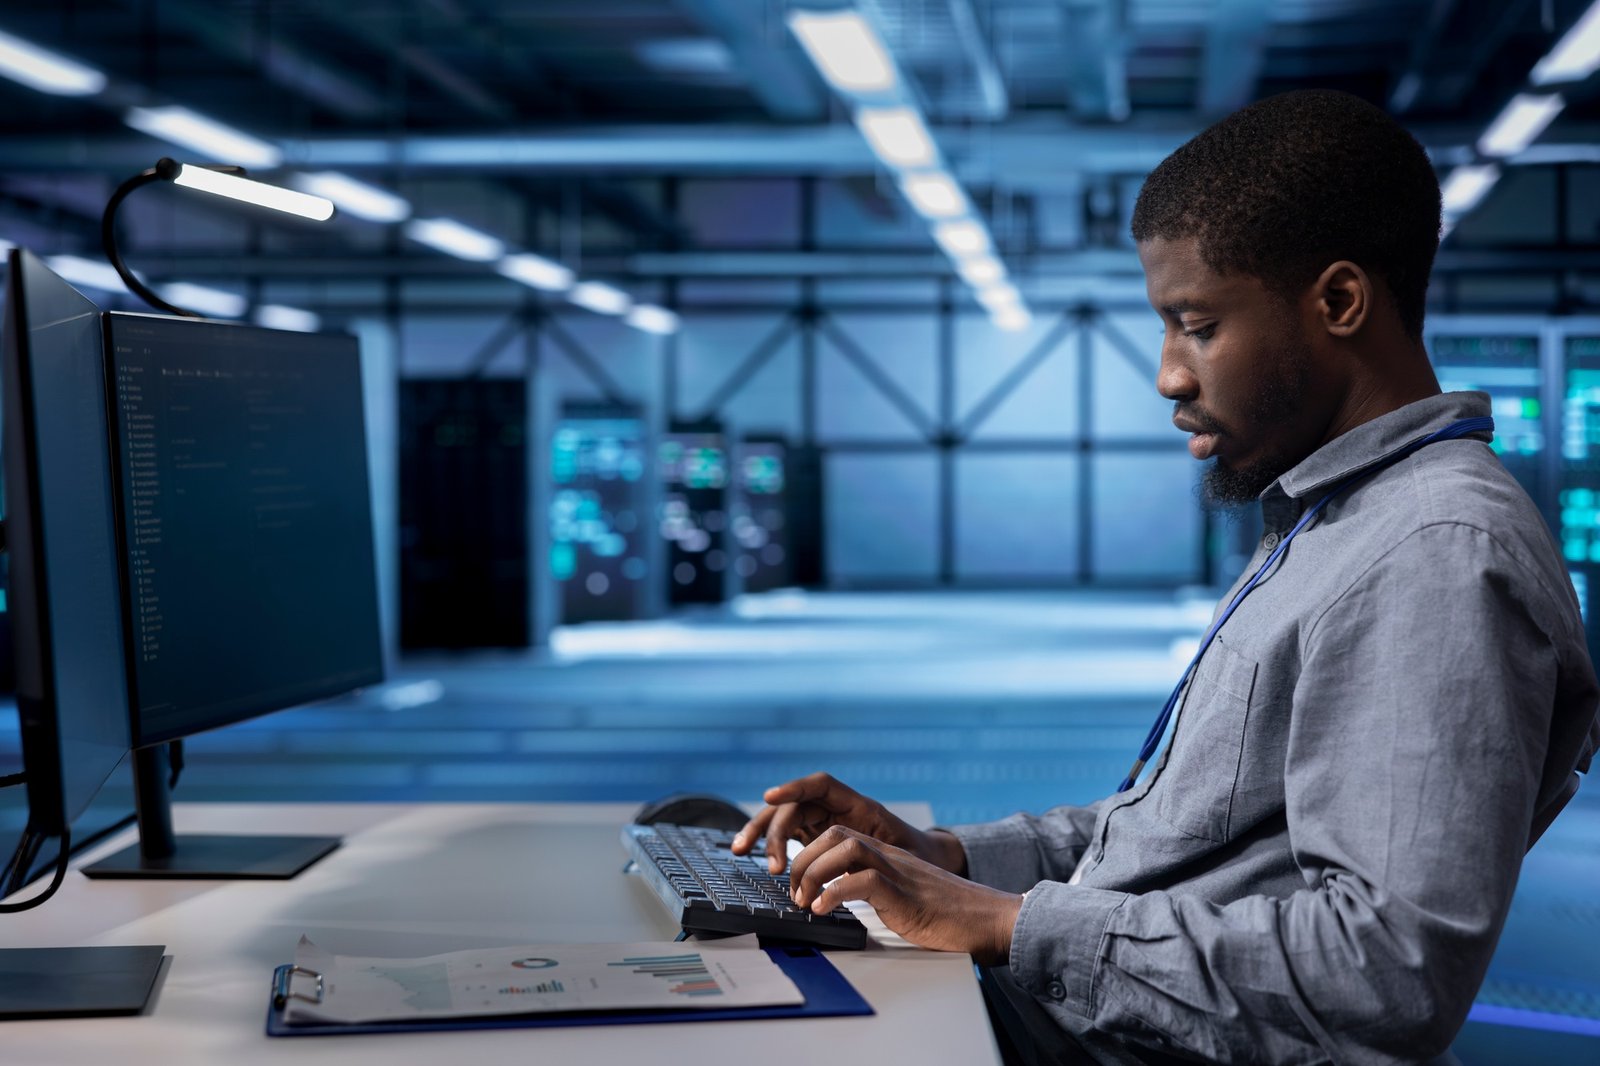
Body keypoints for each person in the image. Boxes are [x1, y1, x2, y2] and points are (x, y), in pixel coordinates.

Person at [730, 89, 1600, 1064]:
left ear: (1339, 303)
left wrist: (1013, 925)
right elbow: (1197, 832)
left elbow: (1384, 974)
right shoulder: (1338, 523)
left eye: (1197, 325)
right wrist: (953, 860)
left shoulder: (1433, 555)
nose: (1167, 376)